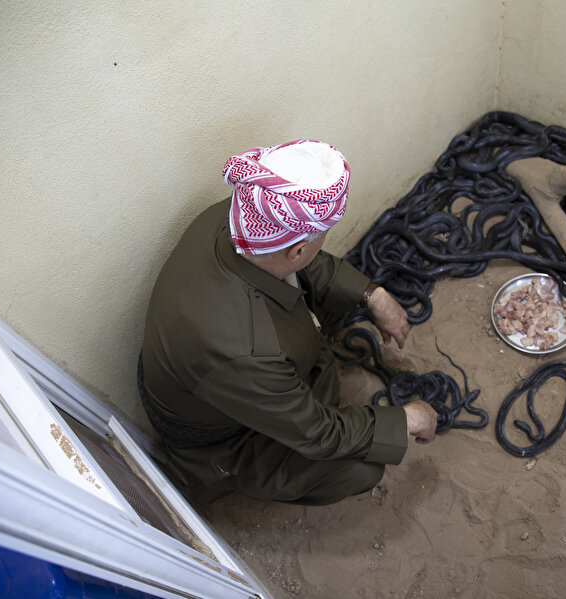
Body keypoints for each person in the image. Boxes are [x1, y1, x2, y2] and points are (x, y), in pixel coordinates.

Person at [140, 139, 438, 505]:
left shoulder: (240, 215)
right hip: (225, 442)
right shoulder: (245, 351)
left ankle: (315, 376)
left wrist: (370, 295)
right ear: (297, 249)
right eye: (319, 238)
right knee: (361, 465)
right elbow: (318, 433)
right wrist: (406, 420)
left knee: (328, 325)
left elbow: (304, 263)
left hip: (229, 381)